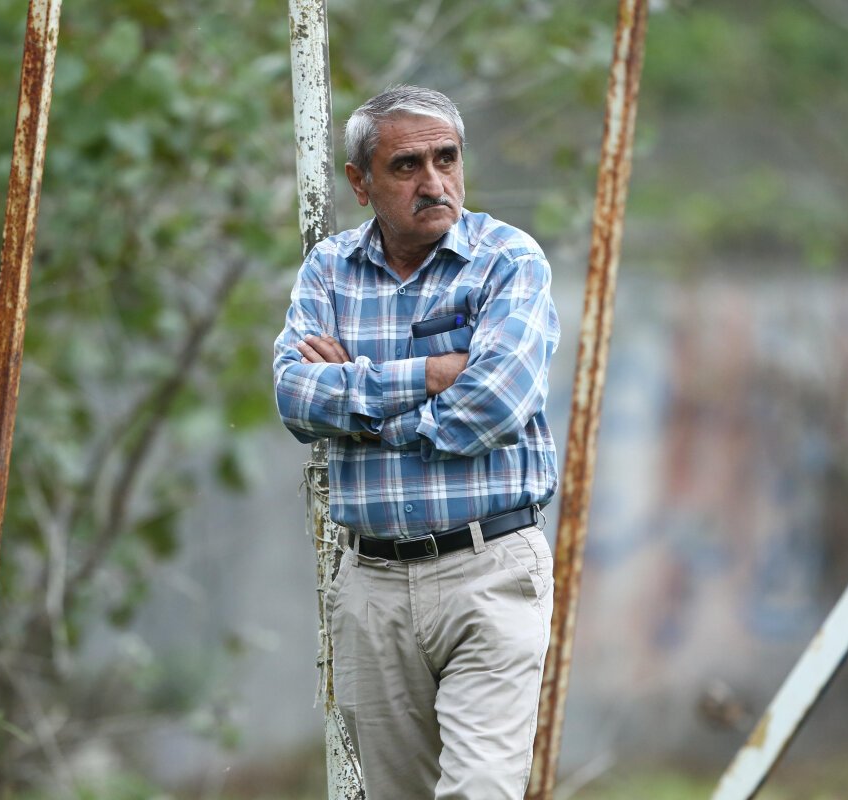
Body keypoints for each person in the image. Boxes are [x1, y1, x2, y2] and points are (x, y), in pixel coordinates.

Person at [273, 85, 559, 800]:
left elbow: (495, 404)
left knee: (479, 789)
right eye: (407, 166)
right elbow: (295, 396)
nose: (434, 183)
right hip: (370, 583)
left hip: (489, 567)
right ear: (360, 182)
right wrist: (431, 373)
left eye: (446, 159)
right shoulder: (328, 270)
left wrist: (362, 409)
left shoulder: (507, 260)